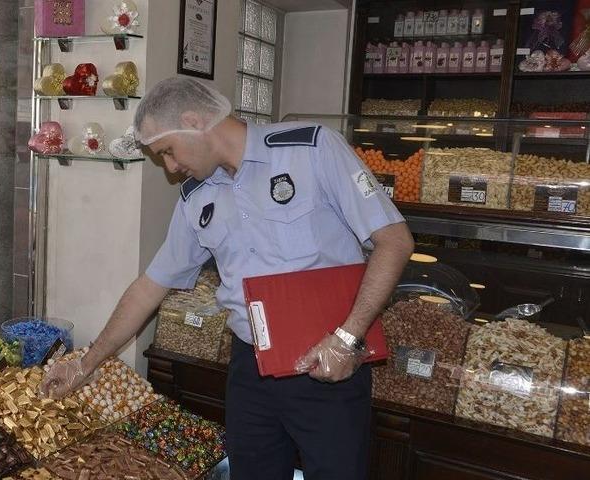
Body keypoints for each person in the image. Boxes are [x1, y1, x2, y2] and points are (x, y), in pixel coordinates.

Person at [39, 77, 414, 479]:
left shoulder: (312, 148)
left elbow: (394, 241)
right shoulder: (196, 197)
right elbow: (151, 286)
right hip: (249, 369)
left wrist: (348, 339)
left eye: (167, 151)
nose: (170, 167)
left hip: (328, 367)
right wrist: (86, 363)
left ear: (193, 120)